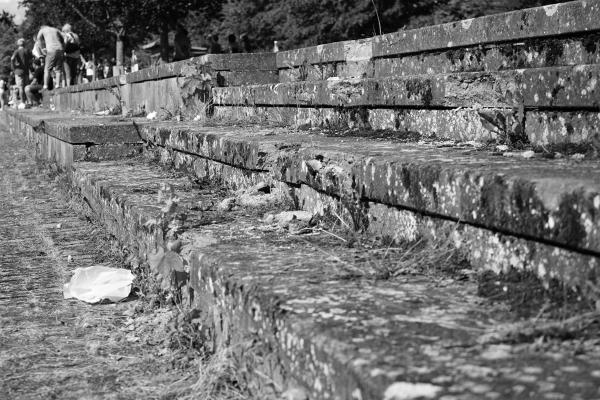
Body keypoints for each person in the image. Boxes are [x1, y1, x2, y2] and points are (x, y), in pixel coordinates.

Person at [36, 25, 65, 90]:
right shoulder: (55, 29)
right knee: (58, 69)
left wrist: (42, 48)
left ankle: (45, 86)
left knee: (47, 69)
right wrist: (63, 47)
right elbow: (63, 37)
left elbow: (38, 39)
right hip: (60, 49)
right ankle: (57, 85)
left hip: (51, 49)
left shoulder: (42, 30)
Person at [11, 38, 31, 107]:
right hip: (26, 71)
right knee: (26, 87)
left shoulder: (17, 51)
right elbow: (32, 58)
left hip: (19, 71)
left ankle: (22, 102)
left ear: (18, 44)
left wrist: (14, 66)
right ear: (24, 44)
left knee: (20, 87)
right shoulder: (27, 51)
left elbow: (12, 58)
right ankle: (28, 102)